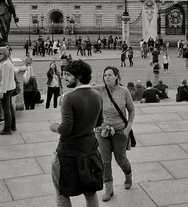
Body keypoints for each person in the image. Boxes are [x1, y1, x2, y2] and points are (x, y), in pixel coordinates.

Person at [50, 60, 104, 207]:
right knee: (90, 193)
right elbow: (99, 122)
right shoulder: (97, 95)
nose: (64, 78)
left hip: (68, 153)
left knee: (62, 193)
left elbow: (65, 129)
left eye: (68, 75)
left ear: (78, 76)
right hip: (90, 151)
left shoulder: (68, 98)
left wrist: (54, 127)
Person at [94, 66, 134, 202]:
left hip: (119, 131)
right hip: (102, 130)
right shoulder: (99, 90)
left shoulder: (124, 91)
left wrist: (127, 128)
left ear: (117, 76)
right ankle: (109, 189)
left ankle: (128, 174)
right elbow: (84, 90)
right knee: (105, 161)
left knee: (120, 159)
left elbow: (132, 111)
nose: (107, 77)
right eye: (105, 75)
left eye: (110, 75)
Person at [0, 46, 17, 135]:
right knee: (10, 108)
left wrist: (1, 92)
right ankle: (12, 126)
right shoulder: (7, 62)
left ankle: (7, 128)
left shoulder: (5, 64)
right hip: (9, 88)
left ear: (5, 54)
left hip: (6, 89)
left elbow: (5, 79)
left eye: (1, 54)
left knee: (6, 109)